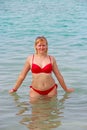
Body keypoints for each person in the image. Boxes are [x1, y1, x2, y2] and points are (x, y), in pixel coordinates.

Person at [9, 36, 74, 99]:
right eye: (39, 45)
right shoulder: (30, 58)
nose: (41, 47)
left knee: (51, 109)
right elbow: (22, 76)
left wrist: (66, 89)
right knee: (35, 109)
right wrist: (14, 89)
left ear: (46, 46)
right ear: (36, 46)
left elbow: (58, 75)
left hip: (51, 90)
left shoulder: (51, 58)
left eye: (43, 45)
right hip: (35, 91)